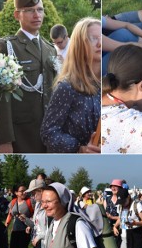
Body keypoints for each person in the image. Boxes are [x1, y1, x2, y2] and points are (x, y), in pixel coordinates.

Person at [0, 0, 58, 153]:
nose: (37, 15)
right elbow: (0, 96)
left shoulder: (50, 48)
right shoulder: (8, 46)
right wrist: (4, 139)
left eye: (40, 10)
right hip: (22, 133)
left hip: (50, 130)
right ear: (17, 15)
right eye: (29, 11)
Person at [40, 17, 101, 153]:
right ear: (80, 46)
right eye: (93, 39)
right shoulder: (67, 87)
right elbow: (49, 132)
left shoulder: (109, 80)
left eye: (101, 37)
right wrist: (79, 149)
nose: (100, 44)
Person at [5, 184, 33, 248]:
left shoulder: (29, 202)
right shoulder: (13, 202)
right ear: (16, 193)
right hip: (15, 229)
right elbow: (10, 214)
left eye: (25, 190)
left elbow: (35, 215)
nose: (24, 192)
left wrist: (30, 225)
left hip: (25, 230)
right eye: (21, 191)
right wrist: (6, 225)